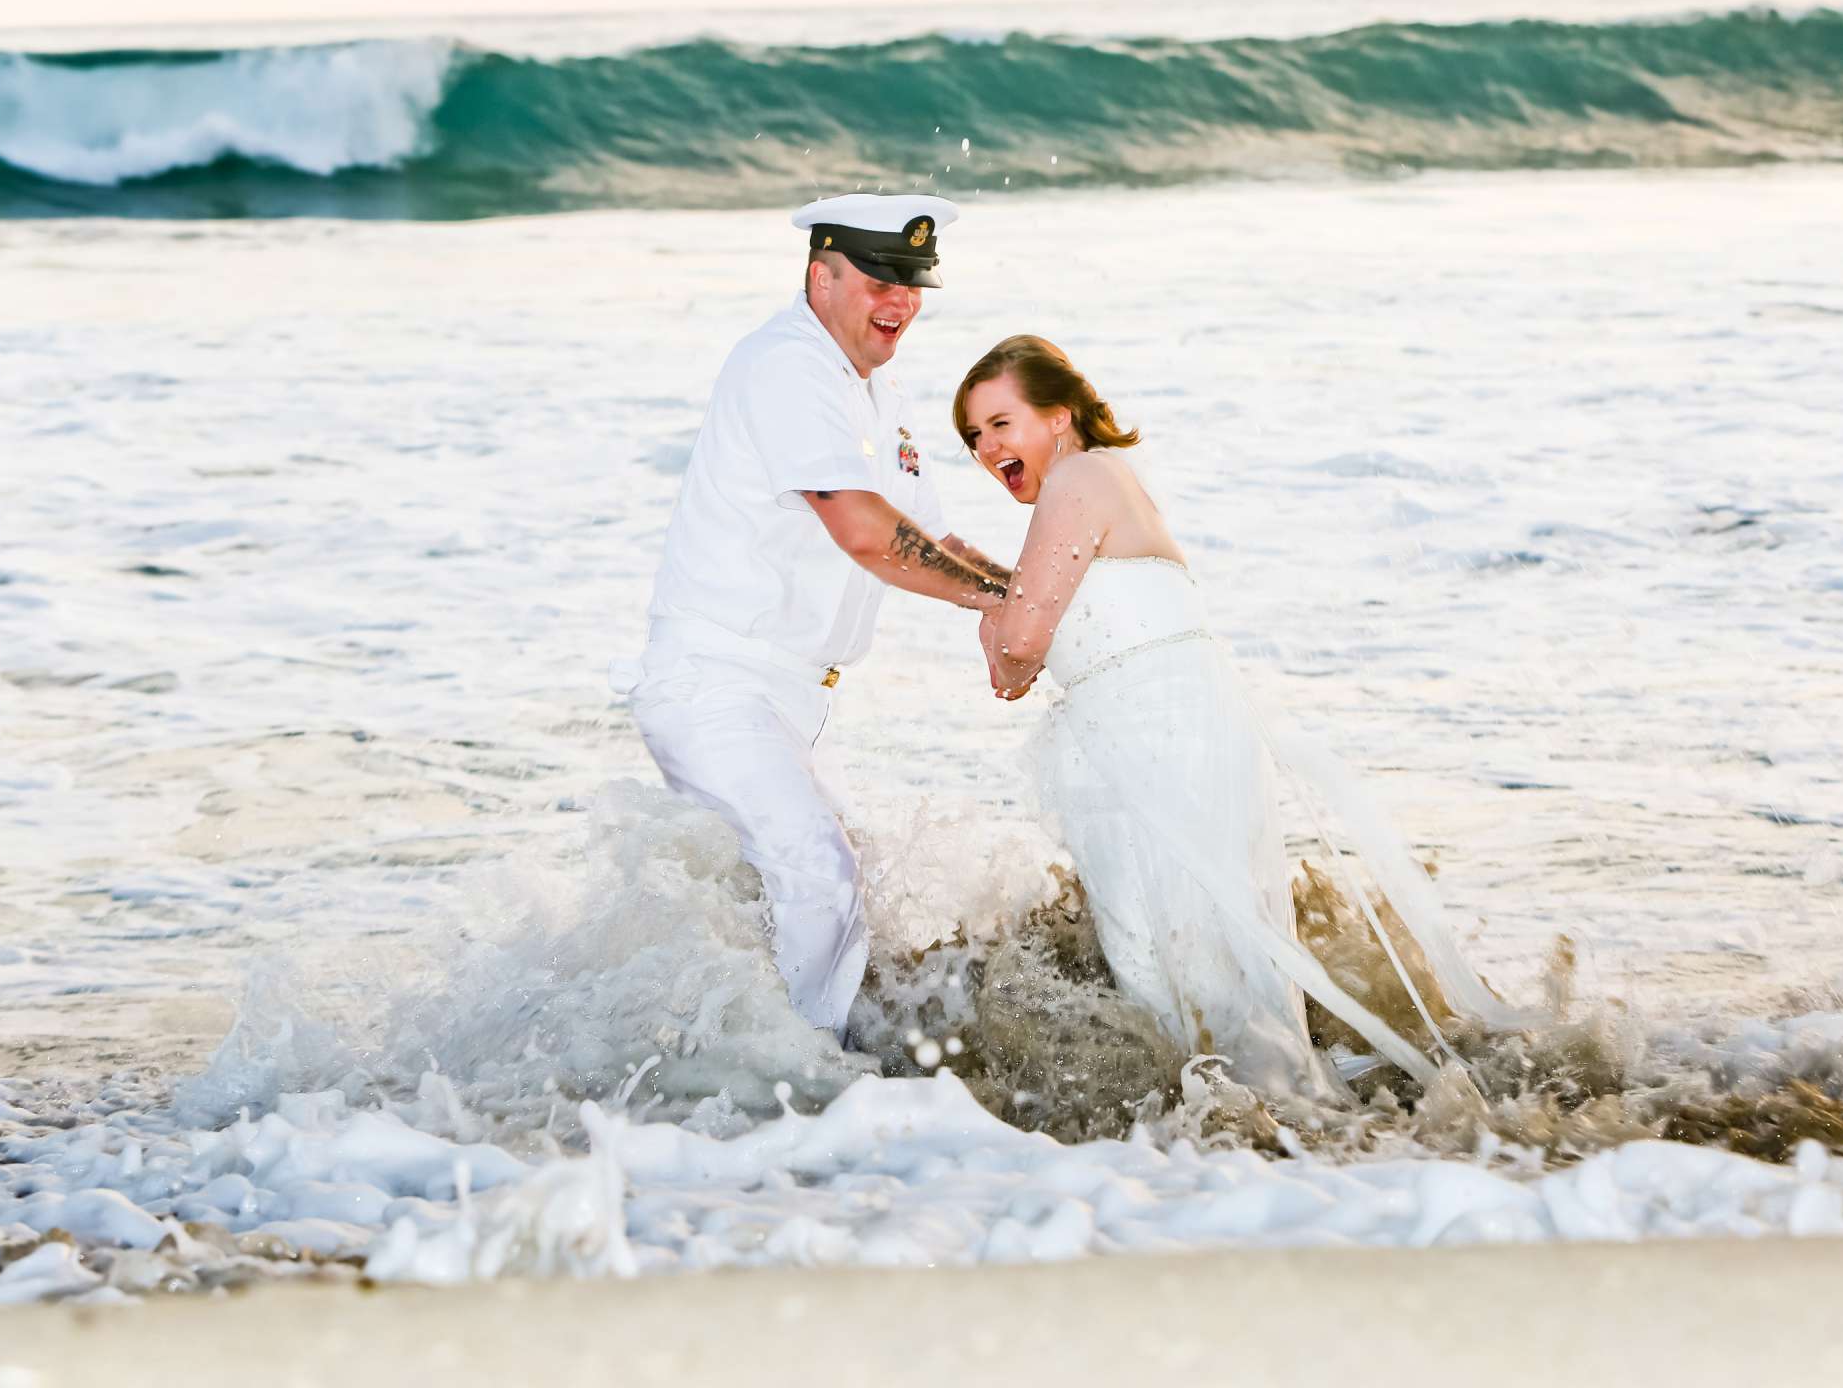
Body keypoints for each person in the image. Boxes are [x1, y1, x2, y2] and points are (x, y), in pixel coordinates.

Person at [955, 335, 1513, 1097]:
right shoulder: (1096, 486)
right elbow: (1018, 659)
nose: (986, 448)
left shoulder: (1079, 477)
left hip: (1153, 738)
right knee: (1198, 945)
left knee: (1178, 948)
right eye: (973, 436)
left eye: (1000, 423)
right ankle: (1249, 1115)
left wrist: (982, 596)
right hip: (1158, 732)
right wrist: (1002, 607)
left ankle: (1236, 1123)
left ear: (1058, 416)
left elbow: (1016, 648)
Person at [631, 194, 1012, 1034]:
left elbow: (934, 535)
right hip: (717, 686)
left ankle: (720, 1046)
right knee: (821, 876)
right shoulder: (786, 367)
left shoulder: (878, 390)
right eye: (878, 278)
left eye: (912, 285)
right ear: (821, 274)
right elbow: (866, 532)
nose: (899, 301)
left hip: (794, 700)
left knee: (844, 887)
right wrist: (1002, 604)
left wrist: (1032, 597)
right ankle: (805, 1086)